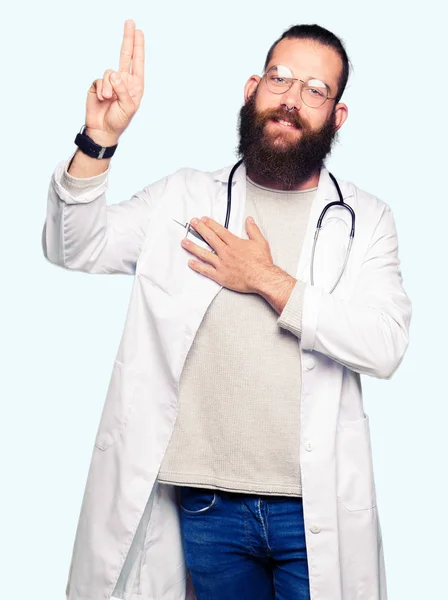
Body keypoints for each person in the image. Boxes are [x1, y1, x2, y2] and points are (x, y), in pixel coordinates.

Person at [42, 18, 412, 600]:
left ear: (337, 116)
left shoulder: (366, 220)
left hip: (309, 511)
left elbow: (385, 343)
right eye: (279, 79)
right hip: (207, 504)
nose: (291, 100)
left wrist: (266, 280)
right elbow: (74, 245)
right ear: (251, 89)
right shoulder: (183, 199)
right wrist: (98, 139)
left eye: (315, 91)